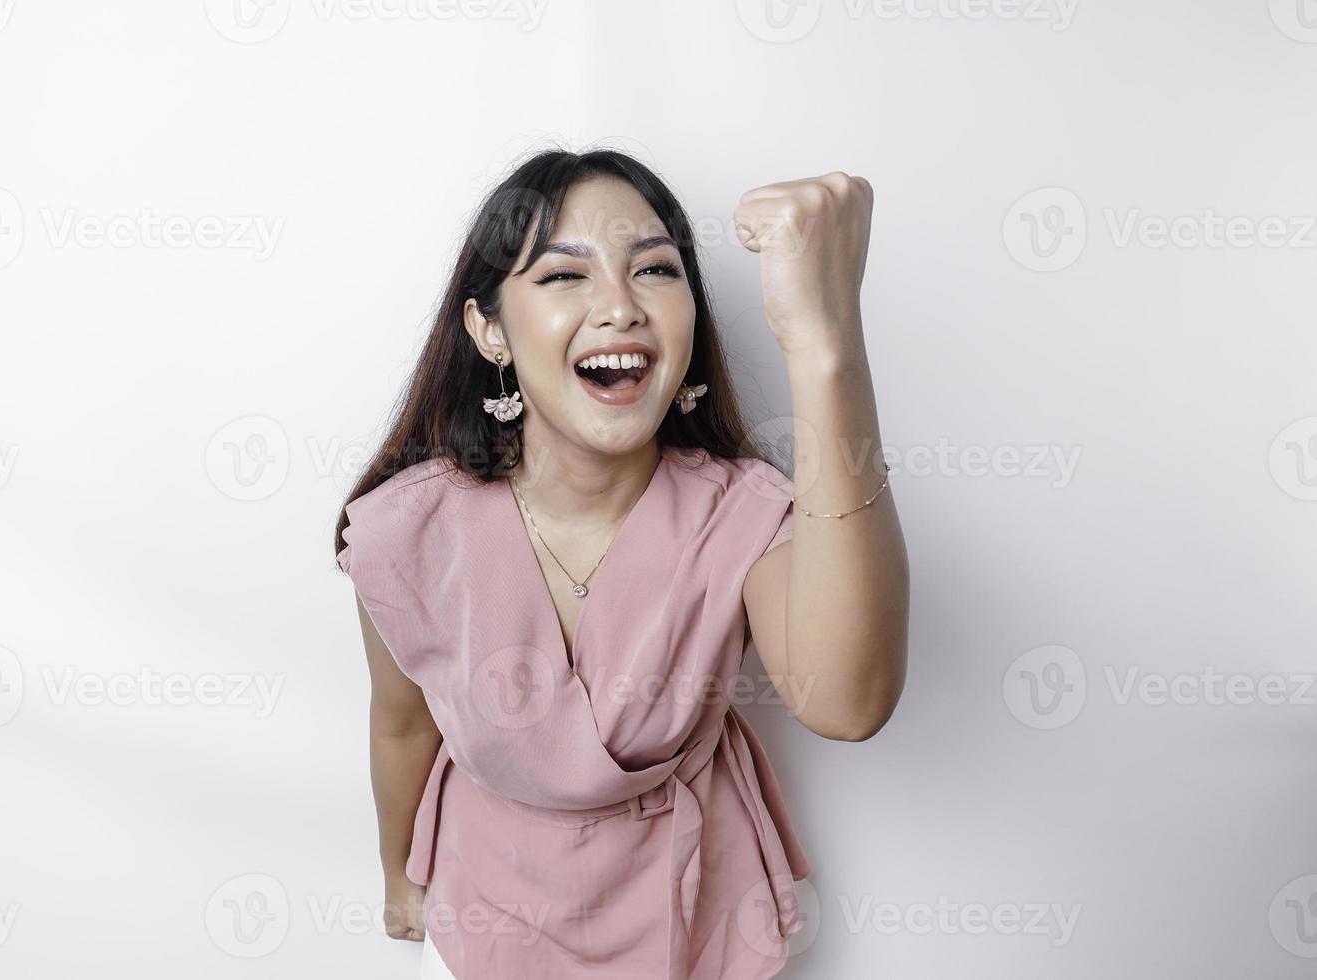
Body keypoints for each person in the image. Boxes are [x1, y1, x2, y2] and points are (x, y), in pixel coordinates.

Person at [335, 147, 909, 979]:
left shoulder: (741, 513)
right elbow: (401, 721)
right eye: (565, 277)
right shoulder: (408, 530)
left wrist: (825, 343)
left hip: (701, 913)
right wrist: (398, 876)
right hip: (485, 913)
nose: (620, 308)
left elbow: (851, 703)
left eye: (655, 271)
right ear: (489, 328)